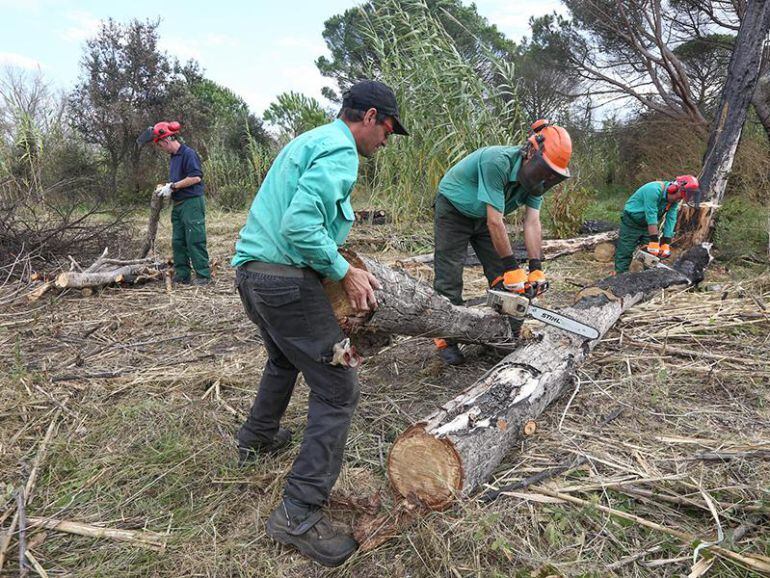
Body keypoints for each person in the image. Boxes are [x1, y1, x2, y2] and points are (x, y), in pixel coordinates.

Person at [231, 80, 408, 567]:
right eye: (388, 129)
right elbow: (300, 225)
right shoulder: (341, 150)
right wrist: (344, 271)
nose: (386, 140)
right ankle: (299, 512)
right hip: (285, 282)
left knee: (283, 359)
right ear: (369, 117)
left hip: (253, 274)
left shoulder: (311, 139)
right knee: (338, 388)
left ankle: (256, 438)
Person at [432, 119, 573, 365]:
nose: (545, 178)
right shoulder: (496, 162)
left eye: (551, 175)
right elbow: (495, 222)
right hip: (455, 208)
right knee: (450, 274)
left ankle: (505, 334)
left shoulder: (537, 183)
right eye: (544, 170)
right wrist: (512, 266)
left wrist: (535, 266)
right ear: (530, 152)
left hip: (486, 216)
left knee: (505, 280)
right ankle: (446, 339)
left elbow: (532, 222)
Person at [139, 121, 211, 285]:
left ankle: (203, 275)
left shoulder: (188, 154)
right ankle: (183, 274)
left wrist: (173, 186)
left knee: (195, 238)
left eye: (161, 145)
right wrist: (169, 188)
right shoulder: (174, 158)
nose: (161, 149)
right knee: (178, 241)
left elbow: (195, 177)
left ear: (166, 140)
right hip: (178, 203)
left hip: (192, 202)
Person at [614, 175, 700, 274]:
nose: (679, 199)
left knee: (651, 255)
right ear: (673, 189)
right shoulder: (653, 190)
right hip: (632, 222)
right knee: (625, 251)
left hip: (649, 226)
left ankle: (650, 276)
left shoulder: (675, 201)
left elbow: (671, 219)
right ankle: (619, 275)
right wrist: (654, 240)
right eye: (679, 196)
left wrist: (665, 242)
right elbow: (651, 214)